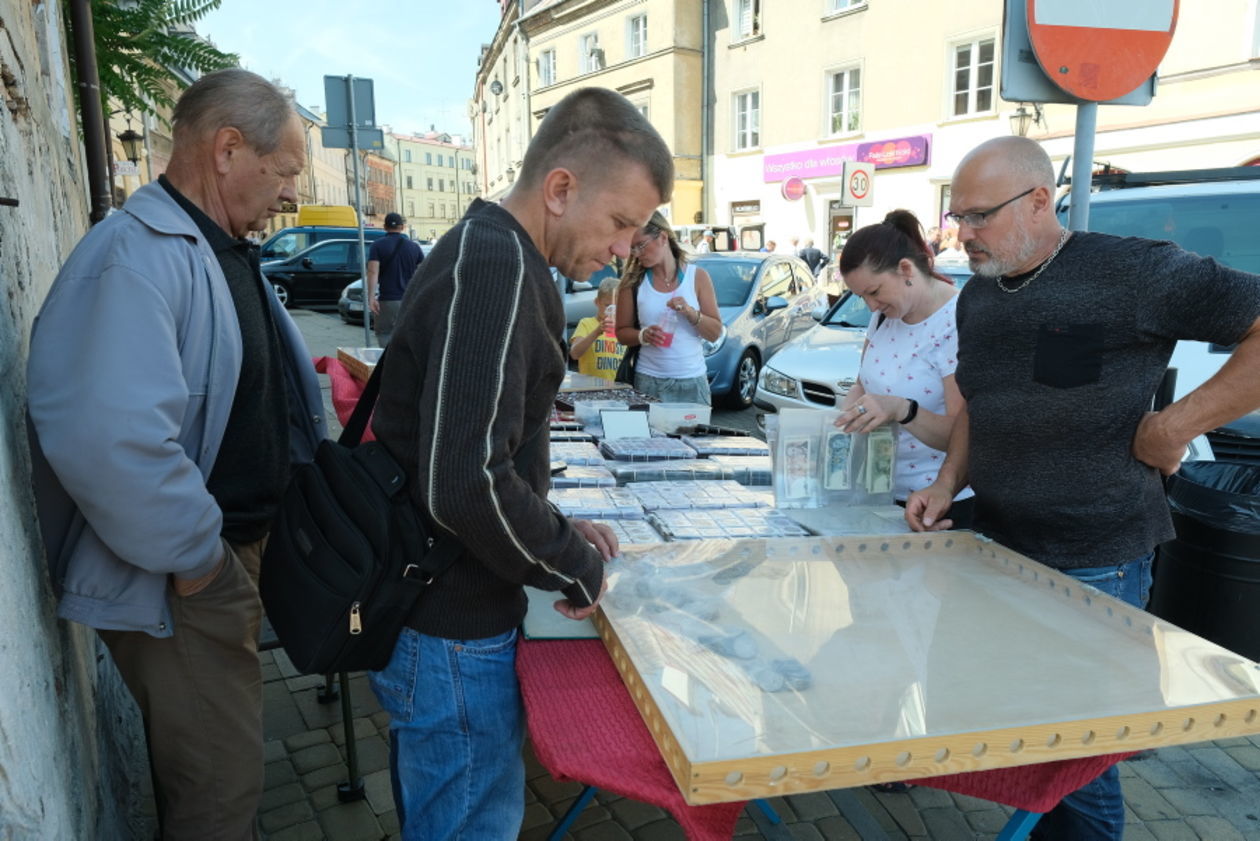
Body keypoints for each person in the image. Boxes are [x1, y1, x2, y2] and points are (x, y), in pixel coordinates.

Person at [906, 136, 1260, 841]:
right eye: (956, 217)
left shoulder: (1135, 271)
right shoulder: (977, 297)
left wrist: (1175, 424)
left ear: (1040, 200)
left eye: (978, 216)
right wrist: (948, 481)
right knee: (1031, 730)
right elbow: (983, 403)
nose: (962, 234)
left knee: (1080, 747)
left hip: (1096, 555)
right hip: (995, 545)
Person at [26, 68, 326, 841]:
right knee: (219, 792)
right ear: (228, 149)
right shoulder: (136, 255)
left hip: (218, 561)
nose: (291, 194)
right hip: (182, 578)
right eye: (286, 170)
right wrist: (200, 561)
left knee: (219, 774)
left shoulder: (209, 243)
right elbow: (109, 439)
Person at [369, 86, 673, 841]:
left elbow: (478, 450)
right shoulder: (500, 263)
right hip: (451, 627)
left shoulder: (489, 249)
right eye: (621, 222)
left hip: (442, 618)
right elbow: (466, 479)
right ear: (561, 188)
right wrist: (572, 564)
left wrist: (559, 523)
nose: (625, 248)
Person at [833, 210, 973, 527]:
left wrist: (901, 409)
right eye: (860, 297)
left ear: (906, 269)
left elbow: (961, 433)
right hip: (876, 489)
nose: (870, 306)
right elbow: (861, 384)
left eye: (874, 292)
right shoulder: (884, 316)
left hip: (933, 502)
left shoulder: (955, 322)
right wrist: (843, 423)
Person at [615, 211, 723, 404]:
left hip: (693, 382)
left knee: (695, 435)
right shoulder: (632, 282)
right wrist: (643, 335)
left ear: (663, 237)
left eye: (641, 245)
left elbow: (715, 333)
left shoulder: (697, 277)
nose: (637, 254)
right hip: (649, 381)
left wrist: (691, 313)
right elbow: (621, 333)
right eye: (632, 248)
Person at [366, 211, 423, 345]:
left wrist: (371, 297)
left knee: (384, 332)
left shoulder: (377, 246)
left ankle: (387, 363)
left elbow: (372, 272)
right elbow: (423, 272)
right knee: (407, 334)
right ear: (402, 227)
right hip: (409, 299)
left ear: (385, 227)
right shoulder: (414, 247)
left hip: (388, 299)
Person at [569, 276, 625, 379]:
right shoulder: (586, 323)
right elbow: (574, 354)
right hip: (590, 386)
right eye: (607, 305)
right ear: (597, 302)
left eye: (617, 307)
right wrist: (597, 332)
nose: (612, 311)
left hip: (617, 386)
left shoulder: (623, 328)